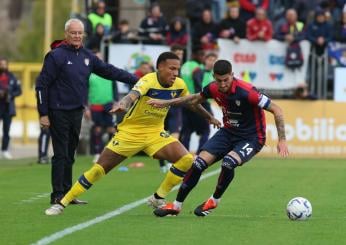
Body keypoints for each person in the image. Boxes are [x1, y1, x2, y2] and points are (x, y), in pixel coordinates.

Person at [44, 51, 221, 215]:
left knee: (187, 159)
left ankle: (158, 198)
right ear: (160, 67)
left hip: (155, 133)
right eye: (172, 68)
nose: (175, 73)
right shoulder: (147, 80)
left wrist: (209, 117)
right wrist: (123, 103)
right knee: (98, 170)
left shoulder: (180, 84)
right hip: (130, 133)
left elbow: (191, 102)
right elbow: (132, 95)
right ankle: (61, 203)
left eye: (178, 69)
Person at [148, 59, 289, 217]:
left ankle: (214, 200)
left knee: (228, 163)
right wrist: (167, 103)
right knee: (198, 164)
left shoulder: (248, 92)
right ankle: (176, 206)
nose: (222, 84)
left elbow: (277, 109)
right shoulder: (213, 88)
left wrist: (282, 139)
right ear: (213, 76)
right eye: (218, 80)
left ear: (232, 75)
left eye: (226, 80)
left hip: (252, 137)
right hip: (228, 132)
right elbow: (193, 100)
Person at [36, 18, 138, 206]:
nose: (76, 36)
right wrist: (43, 113)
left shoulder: (87, 56)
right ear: (66, 34)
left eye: (79, 33)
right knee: (60, 154)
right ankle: (58, 195)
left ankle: (68, 194)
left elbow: (109, 71)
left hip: (76, 111)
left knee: (70, 154)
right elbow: (41, 85)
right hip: (57, 111)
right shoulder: (55, 56)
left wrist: (136, 79)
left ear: (83, 34)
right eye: (73, 32)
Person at [85, 51, 119, 163]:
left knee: (111, 129)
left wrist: (116, 102)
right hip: (96, 105)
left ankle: (109, 153)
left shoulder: (108, 72)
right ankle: (97, 153)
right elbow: (85, 91)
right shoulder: (89, 73)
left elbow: (115, 88)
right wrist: (86, 107)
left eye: (100, 57)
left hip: (109, 104)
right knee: (97, 129)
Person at [0, 57, 22, 159]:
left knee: (6, 130)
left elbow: (19, 91)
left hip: (8, 108)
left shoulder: (12, 77)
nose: (3, 66)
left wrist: (10, 94)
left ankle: (4, 150)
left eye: (4, 64)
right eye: (1, 64)